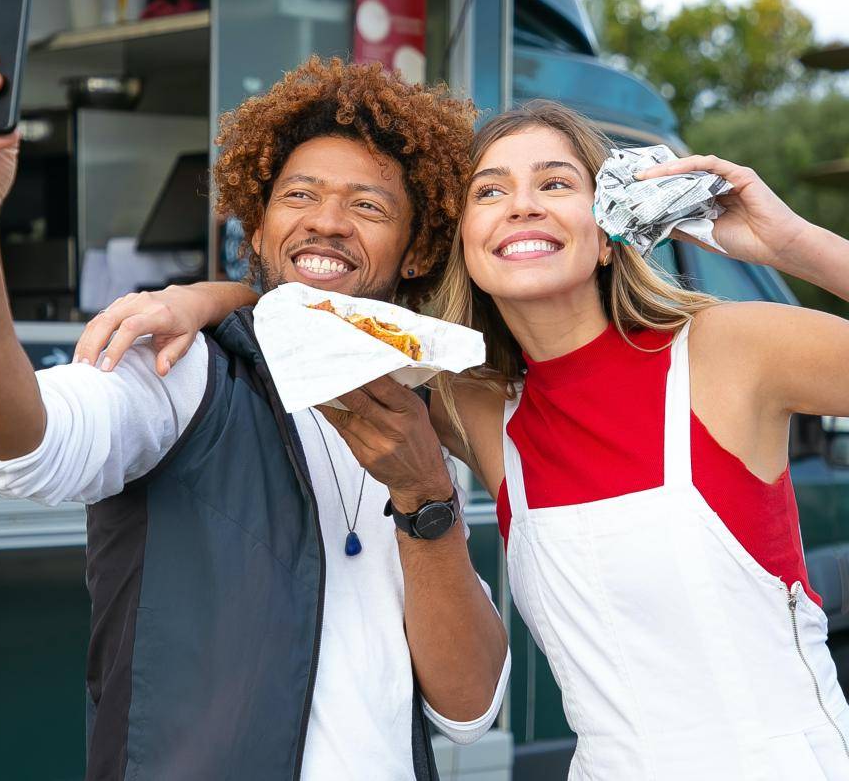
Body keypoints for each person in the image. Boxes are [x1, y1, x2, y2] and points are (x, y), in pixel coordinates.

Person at [86, 100, 849, 779]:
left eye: (555, 184)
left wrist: (793, 245)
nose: (521, 207)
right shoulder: (474, 401)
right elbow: (306, 303)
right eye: (491, 192)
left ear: (612, 232)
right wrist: (194, 298)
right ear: (465, 245)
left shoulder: (728, 350)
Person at [0, 44, 511, 781]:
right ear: (256, 230)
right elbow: (16, 447)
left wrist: (425, 500)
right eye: (298, 196)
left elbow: (469, 710)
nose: (327, 222)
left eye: (367, 205)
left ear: (415, 251)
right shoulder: (188, 371)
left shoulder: (423, 414)